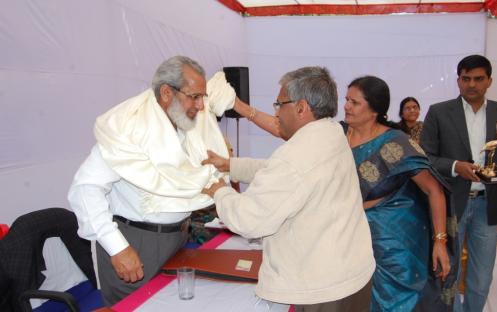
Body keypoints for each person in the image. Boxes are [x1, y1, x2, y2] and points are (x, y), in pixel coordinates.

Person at [202, 67, 376, 312]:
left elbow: (249, 219)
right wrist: (231, 165)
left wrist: (219, 191)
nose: (276, 113)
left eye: (279, 104)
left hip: (322, 291)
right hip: (351, 273)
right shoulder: (331, 131)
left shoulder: (296, 156)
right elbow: (284, 173)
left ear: (301, 107)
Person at [68, 55, 236, 305]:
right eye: (195, 96)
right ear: (167, 92)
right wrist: (117, 248)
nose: (201, 106)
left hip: (177, 239)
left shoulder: (186, 123)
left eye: (203, 97)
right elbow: (84, 189)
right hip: (135, 244)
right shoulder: (128, 126)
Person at [344, 75, 456, 311]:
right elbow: (286, 128)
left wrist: (439, 242)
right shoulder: (338, 135)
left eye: (354, 102)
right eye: (346, 100)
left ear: (374, 109)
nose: (346, 106)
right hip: (352, 236)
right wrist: (245, 109)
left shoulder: (395, 142)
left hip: (396, 241)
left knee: (397, 303)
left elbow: (433, 189)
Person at [421, 54, 497, 312]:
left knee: (481, 276)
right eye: (466, 79)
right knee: (449, 272)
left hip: (488, 206)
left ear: (489, 80)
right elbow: (426, 157)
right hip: (451, 204)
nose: (472, 85)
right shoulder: (439, 112)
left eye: (478, 79)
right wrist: (456, 167)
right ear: (458, 81)